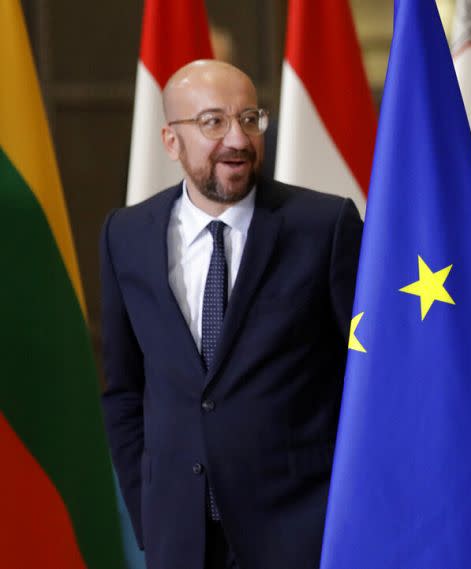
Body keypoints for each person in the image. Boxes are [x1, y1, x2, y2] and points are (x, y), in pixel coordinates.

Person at [100, 60, 362, 569]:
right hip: (180, 539)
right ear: (171, 141)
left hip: (300, 536)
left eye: (249, 119)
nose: (238, 140)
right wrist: (149, 512)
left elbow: (368, 378)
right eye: (213, 122)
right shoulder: (124, 236)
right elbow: (125, 392)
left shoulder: (325, 225)